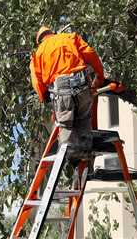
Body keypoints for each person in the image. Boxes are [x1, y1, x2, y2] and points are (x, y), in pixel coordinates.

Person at [30, 25, 105, 158]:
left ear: (39, 40)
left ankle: (70, 153)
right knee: (84, 117)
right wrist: (100, 75)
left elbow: (36, 80)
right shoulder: (70, 38)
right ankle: (86, 151)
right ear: (53, 33)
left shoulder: (38, 53)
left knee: (65, 124)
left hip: (61, 90)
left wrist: (44, 96)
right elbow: (91, 53)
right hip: (82, 83)